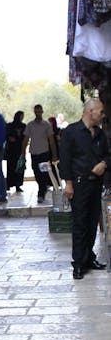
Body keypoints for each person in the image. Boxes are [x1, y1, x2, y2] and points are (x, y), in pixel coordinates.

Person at [59, 99, 108, 280]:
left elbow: (107, 155)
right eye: (100, 112)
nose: (103, 115)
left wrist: (104, 163)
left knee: (92, 223)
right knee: (80, 224)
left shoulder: (100, 134)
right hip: (79, 185)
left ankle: (89, 258)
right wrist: (68, 184)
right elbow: (64, 160)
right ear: (90, 111)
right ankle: (79, 262)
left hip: (95, 184)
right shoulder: (71, 132)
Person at [21, 104, 58, 203]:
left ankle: (41, 193)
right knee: (36, 173)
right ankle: (42, 188)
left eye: (39, 111)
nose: (37, 113)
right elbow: (25, 139)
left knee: (44, 173)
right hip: (34, 154)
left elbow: (51, 140)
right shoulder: (30, 125)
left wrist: (54, 155)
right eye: (36, 111)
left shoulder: (46, 125)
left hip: (44, 153)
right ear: (34, 112)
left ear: (42, 112)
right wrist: (23, 153)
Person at [5, 111, 26, 193]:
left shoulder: (23, 126)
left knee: (19, 168)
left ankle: (18, 185)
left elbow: (25, 137)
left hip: (20, 149)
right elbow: (6, 136)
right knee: (10, 167)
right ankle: (9, 184)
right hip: (11, 150)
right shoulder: (10, 126)